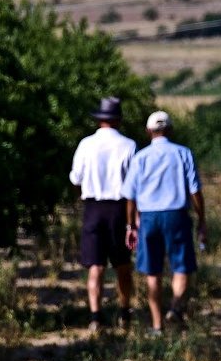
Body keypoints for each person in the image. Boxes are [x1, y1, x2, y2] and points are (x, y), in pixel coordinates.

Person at [121, 111, 206, 336]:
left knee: (153, 271)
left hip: (149, 216)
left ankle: (157, 325)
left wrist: (130, 225)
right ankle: (175, 307)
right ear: (170, 130)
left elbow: (130, 196)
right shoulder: (183, 153)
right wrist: (201, 219)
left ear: (148, 131)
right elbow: (195, 190)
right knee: (182, 267)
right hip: (176, 214)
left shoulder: (140, 157)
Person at [69, 97, 136, 332]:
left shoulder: (86, 144)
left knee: (95, 266)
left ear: (99, 120)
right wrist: (133, 220)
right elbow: (133, 184)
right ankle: (125, 311)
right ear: (118, 120)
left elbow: (75, 178)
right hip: (119, 208)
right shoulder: (128, 145)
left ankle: (95, 316)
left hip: (93, 208)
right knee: (122, 264)